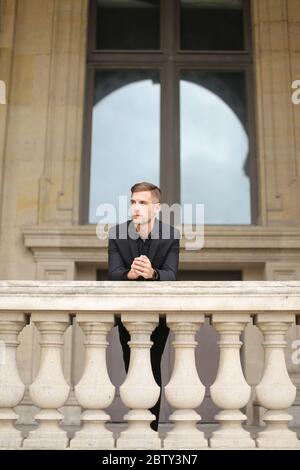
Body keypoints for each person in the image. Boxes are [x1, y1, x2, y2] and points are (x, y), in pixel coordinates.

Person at [108, 181, 180, 431]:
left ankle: (150, 430)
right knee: (132, 368)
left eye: (142, 202)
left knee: (152, 367)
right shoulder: (117, 233)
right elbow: (113, 272)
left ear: (156, 208)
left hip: (157, 316)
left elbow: (171, 274)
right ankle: (136, 425)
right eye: (133, 202)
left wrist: (152, 274)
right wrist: (129, 274)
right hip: (127, 314)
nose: (136, 208)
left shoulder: (171, 235)